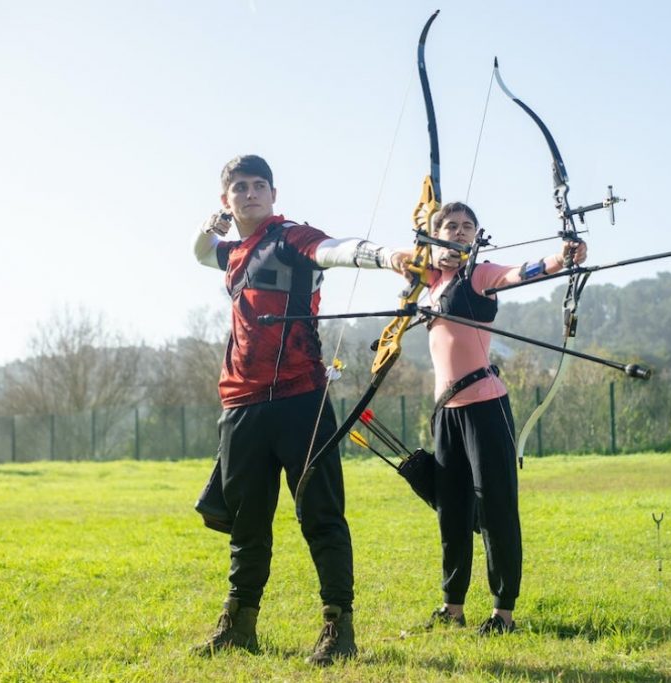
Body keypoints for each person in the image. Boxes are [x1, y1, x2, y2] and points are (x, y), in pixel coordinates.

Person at [190, 154, 410, 665]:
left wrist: (389, 257)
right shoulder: (235, 252)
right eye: (239, 188)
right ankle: (239, 623)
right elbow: (201, 253)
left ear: (273, 193)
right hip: (241, 403)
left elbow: (335, 251)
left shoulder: (290, 237)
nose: (249, 194)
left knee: (321, 515)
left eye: (258, 186)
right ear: (226, 199)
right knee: (247, 521)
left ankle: (339, 625)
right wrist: (209, 227)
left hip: (299, 398)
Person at [421, 201, 587, 635]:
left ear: (476, 235)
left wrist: (560, 258)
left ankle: (502, 613)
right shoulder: (431, 284)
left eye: (466, 227)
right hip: (446, 414)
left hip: (484, 407)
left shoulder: (480, 273)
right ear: (436, 233)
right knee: (452, 512)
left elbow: (522, 272)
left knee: (495, 508)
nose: (459, 233)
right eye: (450, 226)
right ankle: (452, 606)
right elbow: (408, 258)